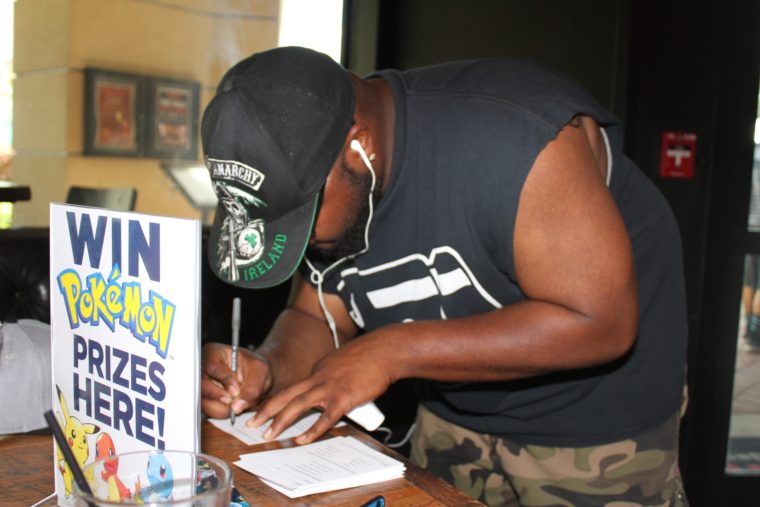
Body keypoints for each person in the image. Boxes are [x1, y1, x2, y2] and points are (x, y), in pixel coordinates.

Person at [199, 46, 689, 506]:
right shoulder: (328, 176)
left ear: (358, 147)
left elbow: (599, 322)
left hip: (596, 423)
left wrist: (394, 350)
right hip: (453, 411)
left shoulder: (516, 138)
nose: (301, 243)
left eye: (300, 219)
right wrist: (267, 365)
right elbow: (317, 314)